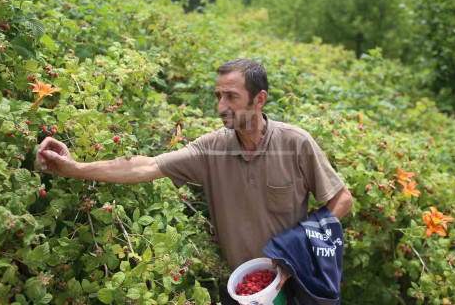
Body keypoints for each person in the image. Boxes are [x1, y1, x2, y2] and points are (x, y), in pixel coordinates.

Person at [35, 59, 353, 303]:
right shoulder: (211, 148)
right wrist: (74, 168)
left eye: (231, 97)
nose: (220, 107)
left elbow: (342, 200)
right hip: (243, 287)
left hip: (296, 281)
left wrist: (297, 247)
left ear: (259, 100)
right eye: (218, 96)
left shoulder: (295, 143)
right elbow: (144, 167)